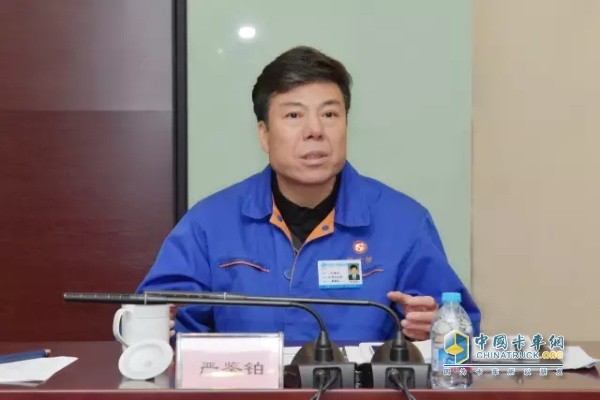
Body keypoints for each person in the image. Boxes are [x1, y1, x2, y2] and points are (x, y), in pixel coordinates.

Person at [137, 46, 481, 342]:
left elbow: (461, 331)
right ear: (264, 134)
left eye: (329, 114)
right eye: (293, 115)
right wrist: (154, 328)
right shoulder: (210, 223)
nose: (315, 130)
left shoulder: (403, 222)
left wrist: (436, 328)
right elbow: (155, 321)